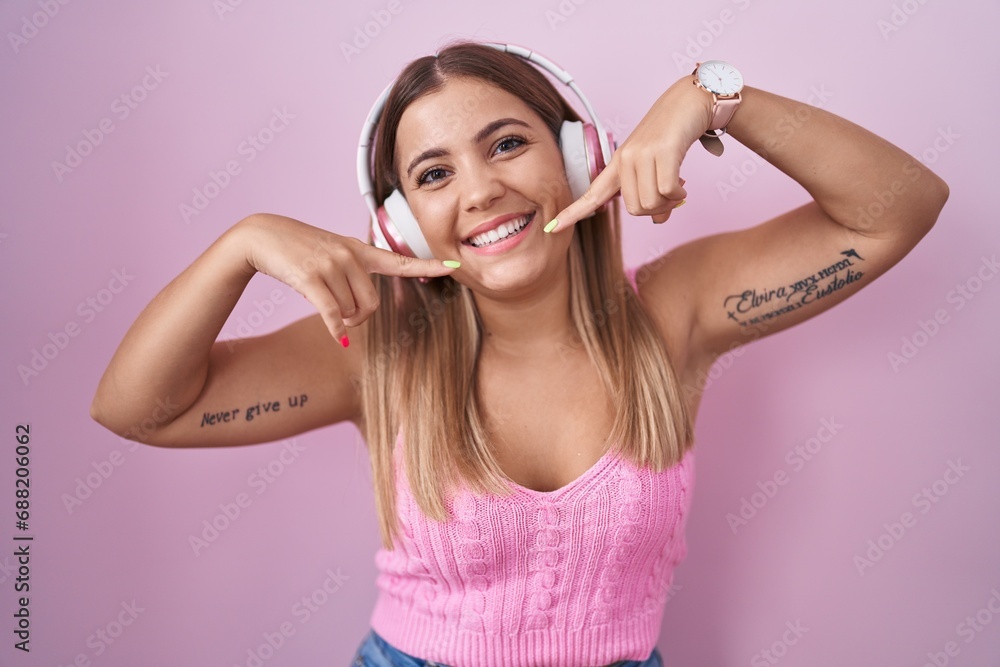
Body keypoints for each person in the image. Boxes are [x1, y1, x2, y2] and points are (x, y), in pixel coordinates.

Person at [89, 39, 948, 667]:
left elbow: (896, 208)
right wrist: (240, 246)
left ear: (578, 159)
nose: (481, 189)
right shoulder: (377, 352)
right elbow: (135, 408)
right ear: (399, 224)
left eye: (506, 143)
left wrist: (713, 98)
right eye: (434, 175)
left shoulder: (673, 314)